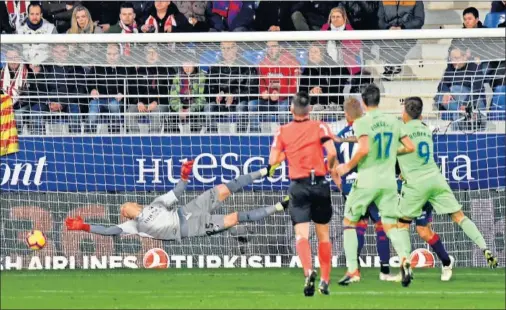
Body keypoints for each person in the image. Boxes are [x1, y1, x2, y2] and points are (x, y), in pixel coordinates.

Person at [396, 97, 499, 275]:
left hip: (416, 185)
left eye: (402, 110)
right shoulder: (426, 129)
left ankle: (405, 266)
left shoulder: (400, 131)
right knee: (458, 217)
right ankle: (484, 248)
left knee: (402, 224)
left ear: (405, 112)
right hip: (436, 180)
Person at [66, 161, 286, 242]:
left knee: (225, 188)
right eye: (124, 209)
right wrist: (85, 226)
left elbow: (177, 192)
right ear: (126, 215)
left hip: (189, 209)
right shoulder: (132, 226)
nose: (125, 207)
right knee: (236, 217)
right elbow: (108, 231)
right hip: (190, 227)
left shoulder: (156, 203)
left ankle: (265, 170)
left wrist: (183, 176)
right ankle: (279, 206)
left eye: (125, 204)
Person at [335, 84, 415, 287]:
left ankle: (353, 270)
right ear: (379, 99)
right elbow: (410, 147)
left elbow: (363, 149)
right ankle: (405, 259)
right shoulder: (392, 121)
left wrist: (347, 167)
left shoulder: (362, 121)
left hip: (367, 181)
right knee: (389, 224)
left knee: (349, 222)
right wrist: (390, 153)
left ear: (363, 102)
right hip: (388, 181)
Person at [268, 91, 339, 296]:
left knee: (301, 235)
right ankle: (325, 280)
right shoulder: (320, 126)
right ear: (309, 109)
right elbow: (332, 152)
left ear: (291, 109)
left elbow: (273, 160)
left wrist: (286, 153)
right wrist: (329, 166)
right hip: (319, 184)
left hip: (298, 187)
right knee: (323, 235)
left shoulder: (282, 131)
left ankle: (308, 271)